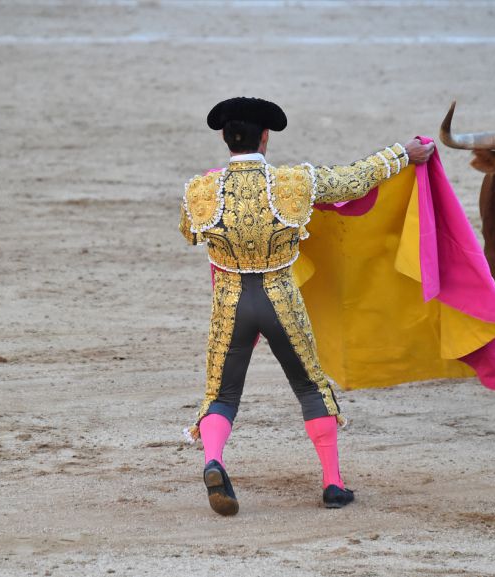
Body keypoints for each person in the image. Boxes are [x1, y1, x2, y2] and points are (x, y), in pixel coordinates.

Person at [179, 97, 434, 516]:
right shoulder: (295, 181)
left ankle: (214, 461)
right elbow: (355, 181)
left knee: (221, 394)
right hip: (281, 299)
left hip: (230, 303)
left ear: (226, 139)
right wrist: (403, 153)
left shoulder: (199, 189)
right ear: (265, 137)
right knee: (310, 386)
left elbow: (189, 232)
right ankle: (333, 484)